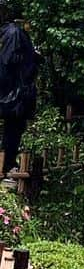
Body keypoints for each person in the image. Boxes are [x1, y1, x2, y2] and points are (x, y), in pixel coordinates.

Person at [0, 10, 39, 180]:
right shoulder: (14, 33)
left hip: (14, 91)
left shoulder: (12, 32)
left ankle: (7, 164)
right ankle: (7, 165)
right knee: (13, 130)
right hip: (13, 92)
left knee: (14, 130)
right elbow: (7, 61)